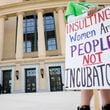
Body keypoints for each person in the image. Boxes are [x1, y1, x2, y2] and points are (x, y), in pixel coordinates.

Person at [65, 0, 110, 110]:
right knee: (87, 77)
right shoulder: (72, 4)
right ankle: (84, 106)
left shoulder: (93, 5)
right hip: (84, 44)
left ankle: (107, 105)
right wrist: (87, 15)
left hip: (99, 43)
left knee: (104, 75)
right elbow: (70, 21)